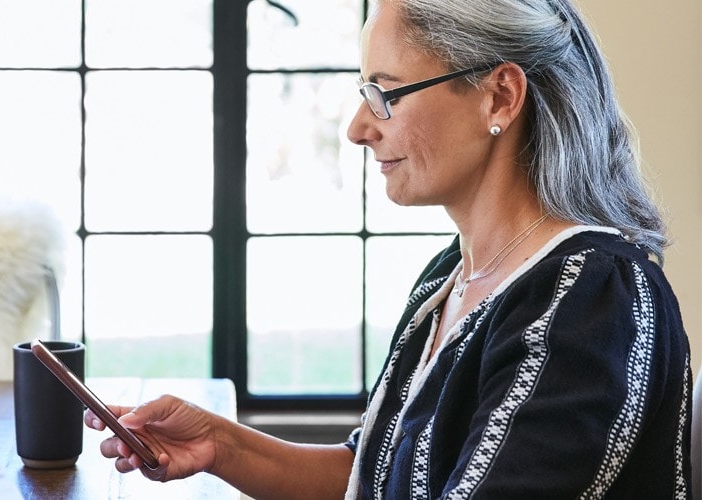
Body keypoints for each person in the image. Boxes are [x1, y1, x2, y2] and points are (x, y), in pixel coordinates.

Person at [84, 0, 693, 497]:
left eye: (386, 93)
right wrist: (224, 445)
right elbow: (373, 477)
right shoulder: (451, 278)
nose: (357, 127)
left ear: (500, 96)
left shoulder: (591, 299)